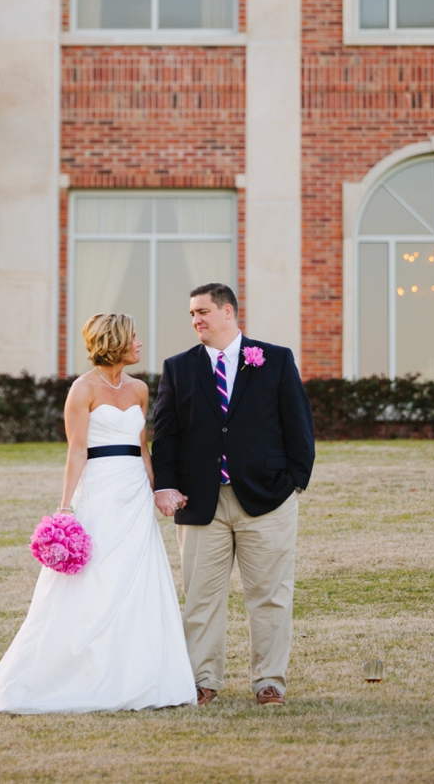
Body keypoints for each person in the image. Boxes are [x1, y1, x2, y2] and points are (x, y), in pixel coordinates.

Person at [0, 312, 196, 715]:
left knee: (136, 577)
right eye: (134, 337)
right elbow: (76, 450)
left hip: (133, 494)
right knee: (94, 579)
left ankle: (140, 675)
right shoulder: (82, 389)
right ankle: (72, 673)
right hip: (99, 490)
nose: (140, 343)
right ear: (116, 342)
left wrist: (157, 488)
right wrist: (65, 506)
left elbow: (143, 447)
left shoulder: (141, 389)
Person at [152, 283, 315, 706]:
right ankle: (202, 680)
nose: (196, 320)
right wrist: (166, 485)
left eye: (203, 311)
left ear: (228, 312)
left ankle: (269, 682)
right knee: (201, 598)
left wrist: (295, 479)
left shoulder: (274, 359)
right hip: (199, 502)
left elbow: (298, 424)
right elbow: (165, 436)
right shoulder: (177, 367)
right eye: (191, 314)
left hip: (267, 499)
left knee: (270, 595)